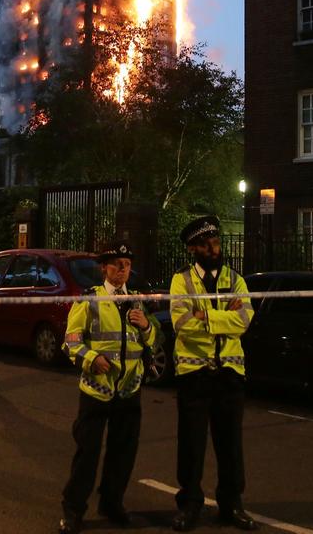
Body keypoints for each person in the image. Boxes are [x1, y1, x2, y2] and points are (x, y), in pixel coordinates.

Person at [57, 240, 158, 534]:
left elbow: (153, 343)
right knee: (87, 454)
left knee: (123, 452)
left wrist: (147, 328)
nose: (123, 270)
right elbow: (70, 341)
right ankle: (73, 509)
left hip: (129, 389)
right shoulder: (90, 299)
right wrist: (91, 358)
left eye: (127, 265)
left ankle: (112, 503)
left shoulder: (137, 300)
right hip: (97, 389)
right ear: (104, 268)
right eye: (117, 265)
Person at [170, 215, 258, 531]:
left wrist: (204, 315)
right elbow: (182, 325)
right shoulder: (181, 281)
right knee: (191, 444)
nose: (214, 248)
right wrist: (222, 317)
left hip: (230, 374)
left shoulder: (236, 280)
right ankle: (189, 504)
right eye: (207, 244)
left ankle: (231, 504)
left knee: (230, 443)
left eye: (216, 242)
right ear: (193, 248)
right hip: (194, 375)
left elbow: (244, 321)